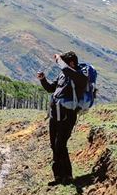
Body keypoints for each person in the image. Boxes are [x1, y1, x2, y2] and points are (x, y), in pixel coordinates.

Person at [37, 52, 88, 185]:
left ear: (71, 63)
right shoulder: (62, 75)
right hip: (55, 114)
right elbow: (51, 89)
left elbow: (65, 69)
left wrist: (59, 60)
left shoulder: (80, 77)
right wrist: (43, 80)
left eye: (64, 63)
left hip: (68, 116)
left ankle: (68, 175)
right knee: (54, 145)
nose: (62, 66)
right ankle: (58, 176)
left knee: (61, 144)